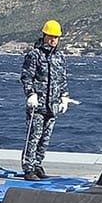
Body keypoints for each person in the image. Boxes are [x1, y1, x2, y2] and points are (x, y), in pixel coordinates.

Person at [20, 19, 72, 179]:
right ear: (44, 36)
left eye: (56, 37)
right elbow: (26, 77)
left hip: (52, 105)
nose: (53, 40)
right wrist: (30, 94)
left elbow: (62, 79)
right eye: (51, 36)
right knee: (34, 137)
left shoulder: (59, 57)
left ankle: (37, 165)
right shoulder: (34, 55)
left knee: (45, 139)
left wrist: (64, 96)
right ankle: (28, 168)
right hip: (38, 105)